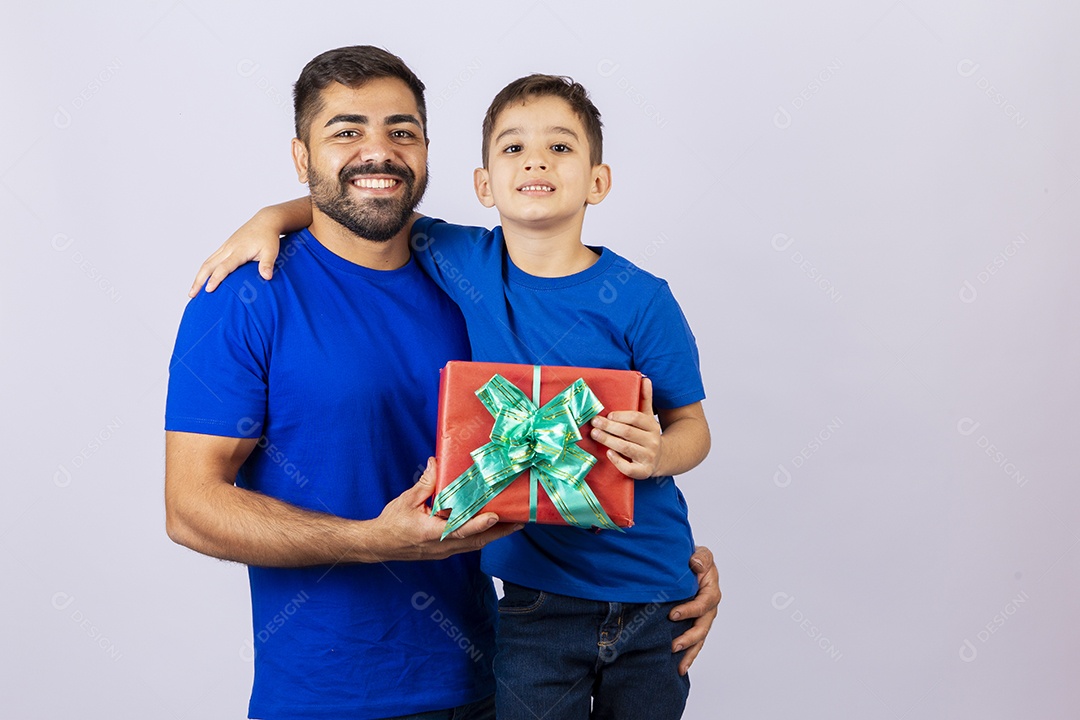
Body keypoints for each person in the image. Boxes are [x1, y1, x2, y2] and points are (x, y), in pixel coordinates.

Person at [167, 46, 719, 720]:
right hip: (328, 698)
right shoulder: (246, 295)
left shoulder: (469, 279)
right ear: (301, 156)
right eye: (346, 131)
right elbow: (188, 506)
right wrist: (368, 540)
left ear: (427, 150)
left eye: (401, 131)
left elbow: (585, 443)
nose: (378, 151)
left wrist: (661, 575)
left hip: (498, 672)